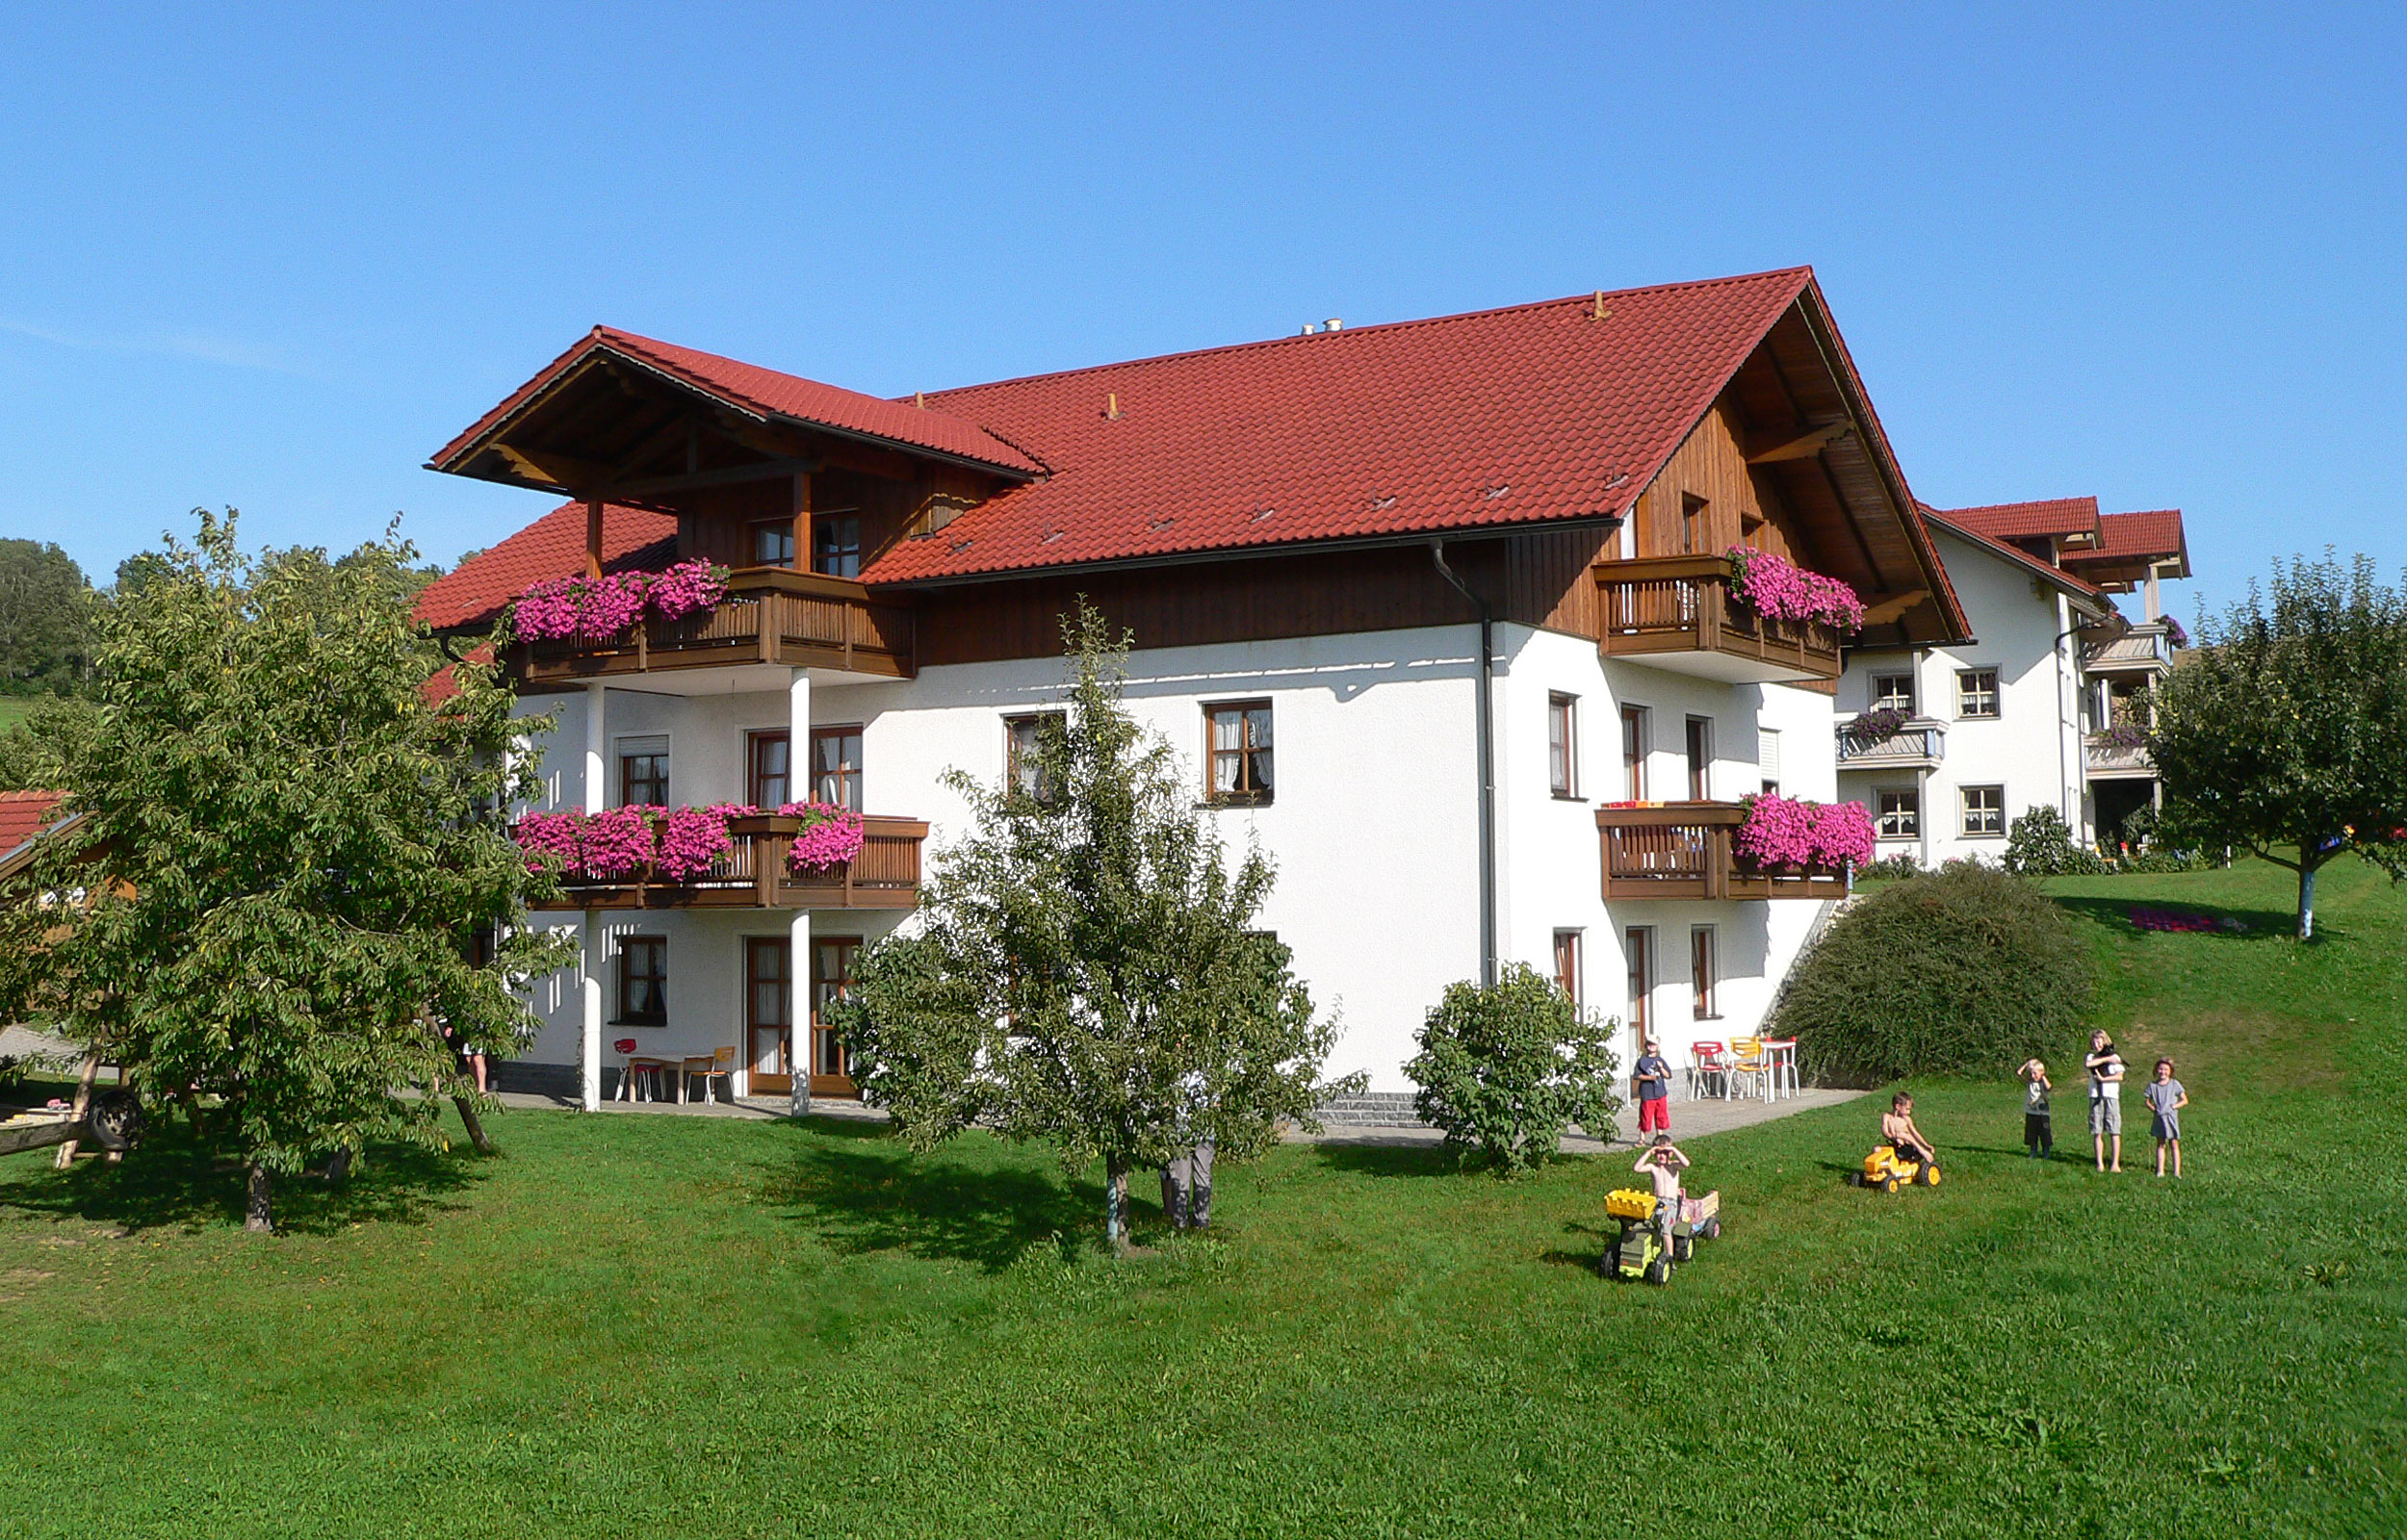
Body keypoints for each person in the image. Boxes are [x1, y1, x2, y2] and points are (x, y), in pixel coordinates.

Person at [1631, 1134, 1690, 1245]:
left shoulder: (1673, 1166)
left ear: (1670, 1154)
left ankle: (1669, 1258)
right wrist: (1649, 1152)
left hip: (1671, 1203)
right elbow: (1636, 1168)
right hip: (1657, 1201)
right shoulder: (1653, 1167)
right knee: (1650, 1225)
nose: (1662, 1156)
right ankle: (1654, 1246)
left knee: (1666, 1231)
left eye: (1665, 1153)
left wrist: (1673, 1149)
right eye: (1659, 1153)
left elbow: (1686, 1164)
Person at [2085, 1031, 2126, 1172]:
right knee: (2097, 1130)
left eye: (2100, 1041)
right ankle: (2099, 1163)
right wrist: (2107, 1059)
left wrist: (2104, 1079)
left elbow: (2120, 1076)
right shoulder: (2091, 1056)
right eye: (2094, 1042)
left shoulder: (2114, 1056)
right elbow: (2090, 1064)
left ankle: (2115, 1163)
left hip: (2111, 1095)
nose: (2097, 1045)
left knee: (2114, 1130)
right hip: (2096, 1095)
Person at [2143, 1059, 2188, 1178]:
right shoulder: (2152, 1086)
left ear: (2170, 1071)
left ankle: (2176, 1171)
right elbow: (2147, 1101)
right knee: (2160, 1144)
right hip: (2159, 1118)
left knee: (2174, 1143)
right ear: (2157, 1070)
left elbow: (2184, 1100)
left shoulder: (2174, 1084)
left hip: (2171, 1118)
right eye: (2161, 1069)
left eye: (2166, 1069)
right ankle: (2160, 1170)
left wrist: (2173, 1107)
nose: (2163, 1072)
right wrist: (2154, 1109)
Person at [1880, 1092, 1939, 1173]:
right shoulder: (1887, 1116)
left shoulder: (1906, 1119)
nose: (1909, 1112)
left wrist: (1926, 1145)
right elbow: (1885, 1131)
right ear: (1898, 1106)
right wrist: (1894, 1138)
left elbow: (1915, 1133)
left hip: (1908, 1147)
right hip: (1895, 1145)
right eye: (1907, 1109)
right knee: (1876, 1149)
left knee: (1903, 1134)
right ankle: (1879, 1170)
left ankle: (1922, 1151)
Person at [1631, 1039, 1672, 1137]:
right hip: (1647, 1093)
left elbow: (1668, 1075)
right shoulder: (1642, 1061)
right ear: (1646, 1046)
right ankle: (1642, 1138)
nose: (1651, 1046)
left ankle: (1660, 1137)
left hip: (1660, 1093)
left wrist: (1661, 1068)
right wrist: (1650, 1077)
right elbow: (1637, 1075)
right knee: (1646, 1116)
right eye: (1649, 1044)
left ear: (1657, 1046)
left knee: (1661, 1116)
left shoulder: (1660, 1060)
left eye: (1654, 1044)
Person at [2018, 1058, 2053, 1159]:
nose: (2033, 1076)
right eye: (2031, 1073)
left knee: (2045, 1133)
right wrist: (2027, 1064)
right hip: (2031, 1112)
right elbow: (2019, 1073)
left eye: (2035, 1073)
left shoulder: (2043, 1083)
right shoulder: (2030, 1082)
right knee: (2031, 1133)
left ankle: (2046, 1151)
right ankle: (2033, 1150)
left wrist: (2042, 1076)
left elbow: (2049, 1087)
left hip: (2043, 1113)